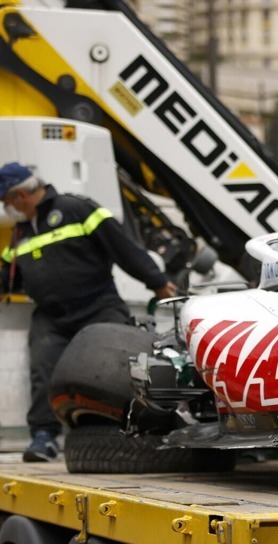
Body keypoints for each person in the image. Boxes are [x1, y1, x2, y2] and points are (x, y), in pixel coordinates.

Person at [0, 162, 177, 462]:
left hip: (98, 305)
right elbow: (8, 274)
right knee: (43, 369)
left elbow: (123, 247)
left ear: (20, 195)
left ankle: (136, 428)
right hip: (52, 316)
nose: (7, 208)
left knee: (122, 365)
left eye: (6, 202)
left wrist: (157, 282)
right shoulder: (20, 233)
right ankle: (44, 436)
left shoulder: (76, 208)